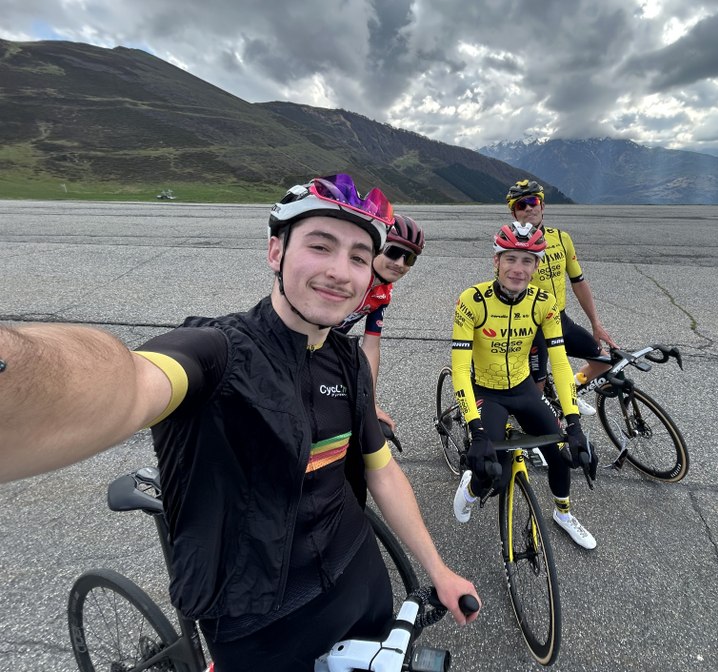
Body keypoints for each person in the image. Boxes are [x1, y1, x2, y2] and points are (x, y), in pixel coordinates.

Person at [0, 174, 479, 672]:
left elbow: (380, 469)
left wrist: (437, 568)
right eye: (320, 246)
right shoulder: (218, 353)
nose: (341, 271)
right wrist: (20, 370)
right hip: (259, 622)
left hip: (359, 576)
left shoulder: (349, 362)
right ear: (276, 252)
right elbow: (128, 381)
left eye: (359, 257)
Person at [449, 221, 597, 549]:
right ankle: (471, 489)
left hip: (524, 388)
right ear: (496, 262)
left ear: (537, 266)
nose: (518, 268)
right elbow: (460, 370)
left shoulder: (543, 302)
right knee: (494, 476)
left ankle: (563, 514)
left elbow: (559, 362)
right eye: (511, 258)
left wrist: (573, 423)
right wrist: (476, 433)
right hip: (485, 391)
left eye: (527, 260)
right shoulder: (472, 300)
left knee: (561, 455)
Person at [506, 179, 617, 391]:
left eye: (533, 201)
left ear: (542, 206)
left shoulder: (561, 238)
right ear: (514, 214)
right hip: (530, 325)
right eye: (521, 205)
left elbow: (579, 282)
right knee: (537, 391)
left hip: (560, 319)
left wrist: (596, 323)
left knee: (604, 362)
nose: (529, 208)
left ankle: (570, 390)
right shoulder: (509, 245)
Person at [334, 214, 425, 434]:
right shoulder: (346, 276)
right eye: (394, 252)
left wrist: (371, 403)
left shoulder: (383, 293)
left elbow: (371, 347)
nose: (400, 264)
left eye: (409, 258)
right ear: (375, 248)